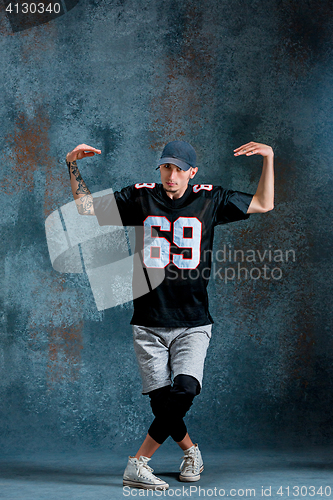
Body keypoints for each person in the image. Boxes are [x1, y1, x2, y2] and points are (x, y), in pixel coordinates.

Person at [65, 140, 274, 490]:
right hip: (148, 321)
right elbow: (85, 207)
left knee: (186, 389)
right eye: (166, 167)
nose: (172, 175)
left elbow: (265, 203)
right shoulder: (140, 197)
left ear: (193, 173)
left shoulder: (211, 198)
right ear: (159, 168)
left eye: (179, 169)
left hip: (193, 320)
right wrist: (71, 164)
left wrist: (269, 157)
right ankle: (191, 451)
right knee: (164, 404)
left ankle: (138, 462)